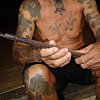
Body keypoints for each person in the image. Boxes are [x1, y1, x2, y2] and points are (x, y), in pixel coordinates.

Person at [13, 0, 100, 100]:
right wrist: (40, 55)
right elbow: (18, 51)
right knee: (35, 76)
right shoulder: (31, 5)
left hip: (79, 57)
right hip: (47, 62)